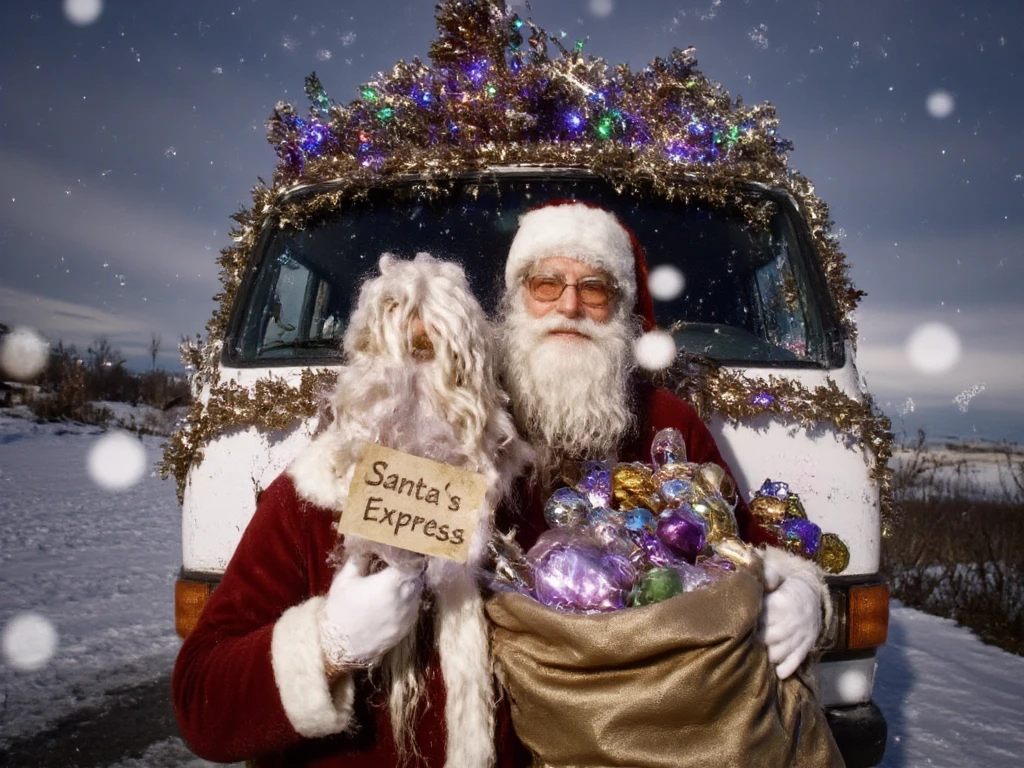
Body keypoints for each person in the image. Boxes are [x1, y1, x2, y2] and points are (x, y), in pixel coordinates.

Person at [172, 254, 531, 768]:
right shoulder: (307, 501)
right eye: (395, 353)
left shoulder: (519, 499)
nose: (412, 378)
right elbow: (201, 704)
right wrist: (328, 644)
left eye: (434, 353)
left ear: (475, 370)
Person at [495, 200, 826, 682]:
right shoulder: (475, 413)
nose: (569, 307)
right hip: (505, 690)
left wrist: (800, 590)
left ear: (621, 309)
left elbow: (746, 543)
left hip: (641, 696)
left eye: (594, 289)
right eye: (546, 284)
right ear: (516, 300)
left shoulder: (668, 419)